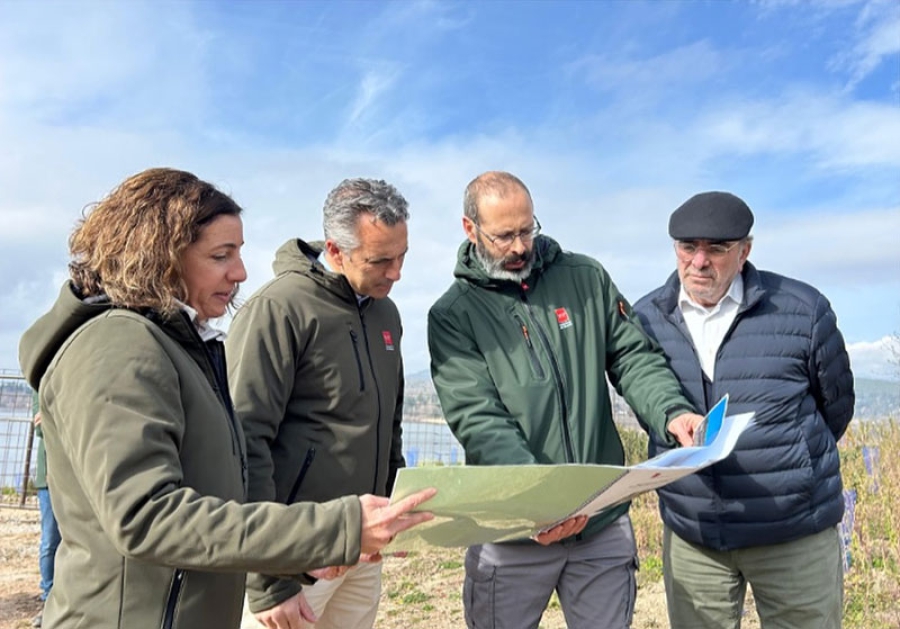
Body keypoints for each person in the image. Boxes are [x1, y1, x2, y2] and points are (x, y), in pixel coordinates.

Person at [17, 167, 436, 629]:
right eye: (221, 255)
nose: (240, 272)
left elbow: (226, 485)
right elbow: (146, 516)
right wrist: (330, 533)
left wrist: (297, 556)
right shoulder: (116, 345)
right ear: (161, 256)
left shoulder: (182, 345)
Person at [427, 170, 705, 629]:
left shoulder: (585, 277)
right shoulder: (453, 315)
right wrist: (539, 502)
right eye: (504, 236)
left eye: (527, 229)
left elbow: (633, 357)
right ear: (469, 229)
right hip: (514, 532)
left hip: (600, 522)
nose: (519, 246)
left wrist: (671, 412)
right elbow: (478, 419)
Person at [633, 191, 855, 629]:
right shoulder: (644, 319)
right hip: (694, 536)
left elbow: (836, 407)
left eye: (716, 248)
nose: (699, 261)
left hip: (793, 532)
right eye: (687, 247)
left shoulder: (802, 311)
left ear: (744, 251)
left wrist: (789, 465)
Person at [226, 178, 410, 629]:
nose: (396, 273)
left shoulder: (387, 313)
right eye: (380, 260)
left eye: (402, 255)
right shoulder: (278, 309)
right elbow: (244, 444)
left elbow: (391, 425)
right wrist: (270, 580)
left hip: (362, 551)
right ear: (336, 248)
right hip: (294, 557)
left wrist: (392, 509)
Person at [32, 390, 60, 628]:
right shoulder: (39, 384)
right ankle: (48, 598)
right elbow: (41, 428)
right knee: (50, 539)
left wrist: (50, 414)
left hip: (73, 475)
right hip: (48, 477)